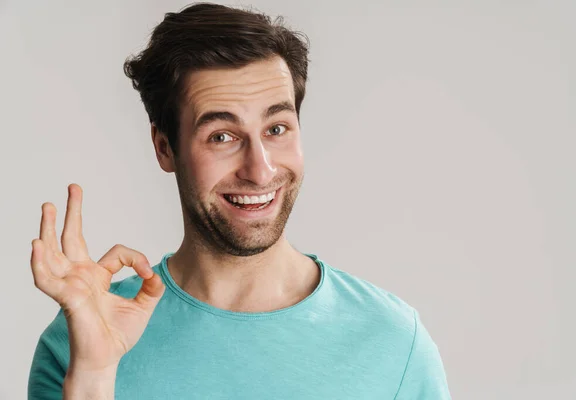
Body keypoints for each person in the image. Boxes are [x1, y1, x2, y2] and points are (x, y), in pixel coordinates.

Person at [27, 3, 451, 399]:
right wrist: (95, 373)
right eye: (222, 136)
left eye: (277, 128)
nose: (260, 170)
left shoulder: (394, 342)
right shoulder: (80, 341)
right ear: (164, 148)